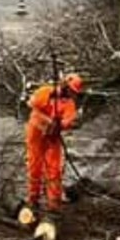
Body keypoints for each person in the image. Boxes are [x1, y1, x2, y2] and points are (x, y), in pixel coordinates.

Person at [24, 73, 83, 223]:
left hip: (52, 138)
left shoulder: (69, 104)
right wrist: (48, 120)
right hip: (35, 133)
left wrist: (59, 125)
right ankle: (33, 199)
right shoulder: (45, 91)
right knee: (34, 166)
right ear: (65, 85)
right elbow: (31, 105)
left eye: (73, 93)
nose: (71, 94)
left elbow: (68, 121)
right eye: (70, 91)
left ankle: (53, 204)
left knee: (54, 169)